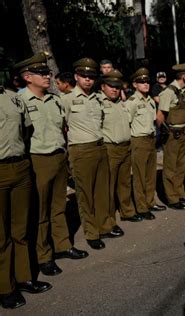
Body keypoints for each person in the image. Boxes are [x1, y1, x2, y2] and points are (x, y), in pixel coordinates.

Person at [15, 53, 88, 277]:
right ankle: (44, 256)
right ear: (28, 77)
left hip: (58, 157)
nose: (48, 76)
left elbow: (62, 129)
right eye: (42, 73)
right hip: (38, 160)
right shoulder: (21, 102)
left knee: (59, 207)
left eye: (47, 72)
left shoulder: (55, 100)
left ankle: (63, 245)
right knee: (41, 211)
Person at [0, 85, 52, 309]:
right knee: (0, 236)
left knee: (20, 230)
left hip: (20, 167)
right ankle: (5, 287)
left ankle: (24, 277)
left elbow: (27, 130)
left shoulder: (13, 97)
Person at [62, 57, 120, 250]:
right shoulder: (67, 99)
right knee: (85, 194)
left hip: (99, 147)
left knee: (102, 191)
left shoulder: (97, 98)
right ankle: (91, 232)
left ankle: (105, 225)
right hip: (80, 150)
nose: (88, 80)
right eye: (84, 76)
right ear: (76, 77)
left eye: (91, 76)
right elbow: (62, 126)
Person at [99, 69, 144, 224]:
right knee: (108, 186)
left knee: (124, 183)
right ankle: (109, 219)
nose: (114, 89)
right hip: (110, 148)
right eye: (111, 86)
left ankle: (127, 212)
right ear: (103, 86)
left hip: (126, 147)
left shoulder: (122, 103)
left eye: (117, 86)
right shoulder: (98, 102)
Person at [157, 61, 185, 210]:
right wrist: (160, 133)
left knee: (181, 166)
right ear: (184, 76)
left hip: (184, 133)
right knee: (171, 167)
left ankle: (180, 193)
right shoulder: (168, 92)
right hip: (172, 135)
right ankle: (172, 198)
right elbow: (161, 115)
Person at [126, 67, 166, 219]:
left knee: (150, 175)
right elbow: (127, 123)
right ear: (134, 84)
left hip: (150, 139)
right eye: (141, 82)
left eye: (147, 81)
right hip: (138, 141)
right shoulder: (131, 102)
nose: (145, 84)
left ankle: (150, 202)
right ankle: (142, 207)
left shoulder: (150, 100)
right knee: (140, 176)